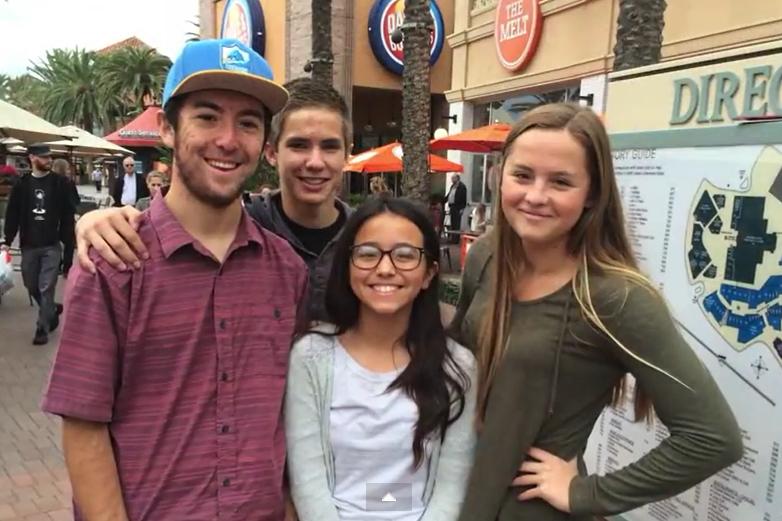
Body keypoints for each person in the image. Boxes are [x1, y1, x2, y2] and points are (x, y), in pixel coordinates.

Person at [41, 38, 307, 521]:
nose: (228, 139)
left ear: (264, 145)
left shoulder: (287, 271)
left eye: (247, 123)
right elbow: (83, 426)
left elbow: (291, 416)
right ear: (167, 127)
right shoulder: (114, 262)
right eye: (207, 117)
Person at [448, 103, 743, 521]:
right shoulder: (486, 255)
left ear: (592, 194)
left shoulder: (615, 297)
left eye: (561, 182)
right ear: (499, 176)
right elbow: (457, 364)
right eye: (522, 175)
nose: (535, 195)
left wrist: (588, 495)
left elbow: (713, 438)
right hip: (457, 492)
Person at [74, 78, 353, 322]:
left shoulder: (372, 236)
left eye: (329, 147)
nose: (315, 162)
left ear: (347, 154)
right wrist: (94, 221)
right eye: (298, 145)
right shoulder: (245, 228)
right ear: (270, 152)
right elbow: (169, 218)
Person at [286, 196, 476, 521]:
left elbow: (452, 485)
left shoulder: (458, 366)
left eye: (405, 256)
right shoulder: (311, 358)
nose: (385, 269)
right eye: (368, 254)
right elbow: (308, 478)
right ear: (347, 267)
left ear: (429, 274)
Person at [1, 145, 74, 344]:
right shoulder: (22, 185)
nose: (48, 160)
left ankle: (42, 328)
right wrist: (7, 240)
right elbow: (12, 214)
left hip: (51, 245)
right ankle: (51, 309)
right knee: (31, 284)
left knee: (46, 287)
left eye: (50, 157)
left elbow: (68, 215)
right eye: (44, 157)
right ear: (32, 158)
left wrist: (69, 245)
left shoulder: (60, 183)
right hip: (29, 245)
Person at [51, 158, 80, 277]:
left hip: (53, 217)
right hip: (67, 217)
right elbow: (76, 200)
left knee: (54, 242)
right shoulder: (69, 183)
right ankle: (67, 268)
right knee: (69, 244)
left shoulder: (50, 183)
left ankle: (56, 265)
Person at [445, 174, 466, 242]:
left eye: (453, 178)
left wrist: (462, 208)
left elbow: (464, 198)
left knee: (457, 224)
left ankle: (456, 239)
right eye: (451, 178)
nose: (452, 180)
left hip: (458, 207)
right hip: (452, 206)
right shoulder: (452, 186)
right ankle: (453, 238)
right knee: (453, 223)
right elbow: (449, 195)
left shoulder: (462, 187)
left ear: (457, 178)